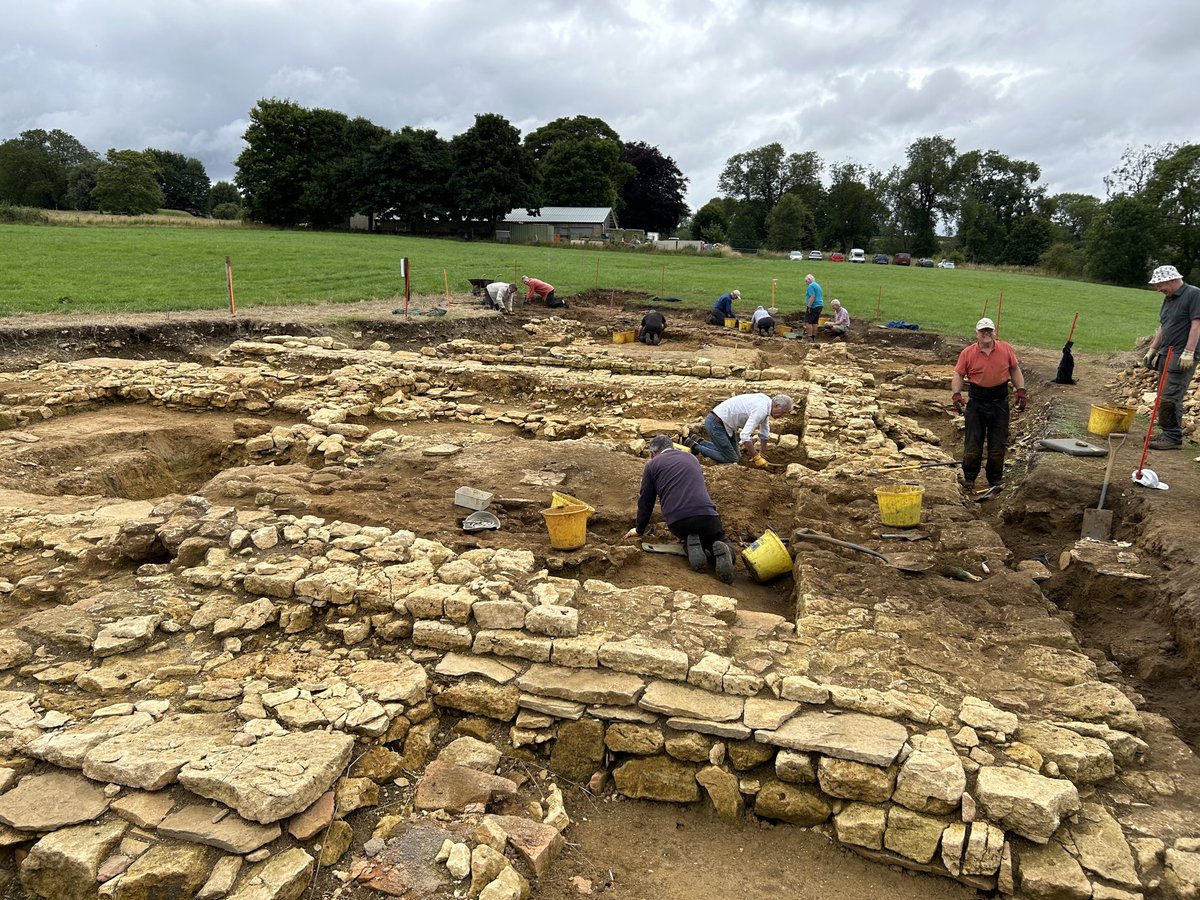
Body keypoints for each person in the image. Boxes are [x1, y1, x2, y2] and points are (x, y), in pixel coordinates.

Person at [624, 434, 735, 583]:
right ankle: (723, 551)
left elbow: (646, 501)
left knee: (688, 534)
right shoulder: (691, 458)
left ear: (652, 453)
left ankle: (691, 546)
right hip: (706, 514)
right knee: (719, 540)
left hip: (678, 521)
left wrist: (639, 529)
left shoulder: (651, 465)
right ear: (672, 447)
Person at [951, 317, 1026, 490]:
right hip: (977, 401)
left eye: (989, 330)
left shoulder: (1005, 349)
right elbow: (959, 374)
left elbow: (1014, 369)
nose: (986, 333)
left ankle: (995, 479)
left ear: (994, 332)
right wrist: (956, 395)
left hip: (999, 401)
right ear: (976, 333)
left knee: (998, 442)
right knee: (973, 442)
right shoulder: (967, 353)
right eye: (983, 331)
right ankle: (969, 478)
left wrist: (1020, 390)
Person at [1141, 265, 1200, 450]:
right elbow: (1163, 327)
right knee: (1163, 395)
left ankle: (1173, 438)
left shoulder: (1194, 294)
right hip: (1166, 353)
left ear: (1173, 280)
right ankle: (1167, 432)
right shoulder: (1169, 298)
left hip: (1181, 355)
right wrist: (1152, 350)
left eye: (1160, 285)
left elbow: (1197, 324)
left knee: (1171, 396)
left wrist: (1189, 351)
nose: (1158, 289)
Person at [684, 393, 794, 468]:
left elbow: (764, 433)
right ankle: (694, 446)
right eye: (783, 412)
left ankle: (699, 440)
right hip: (716, 424)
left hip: (725, 424)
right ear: (776, 405)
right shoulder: (761, 409)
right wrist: (756, 457)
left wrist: (762, 454)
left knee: (738, 456)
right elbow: (744, 436)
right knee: (732, 459)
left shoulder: (767, 403)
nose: (782, 416)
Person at [804, 274, 823, 340]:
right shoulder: (817, 285)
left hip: (813, 306)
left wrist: (809, 306)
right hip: (820, 305)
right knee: (815, 322)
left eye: (806, 281)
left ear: (809, 280)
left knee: (808, 322)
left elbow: (812, 296)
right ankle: (813, 336)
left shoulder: (811, 286)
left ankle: (809, 336)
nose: (806, 283)